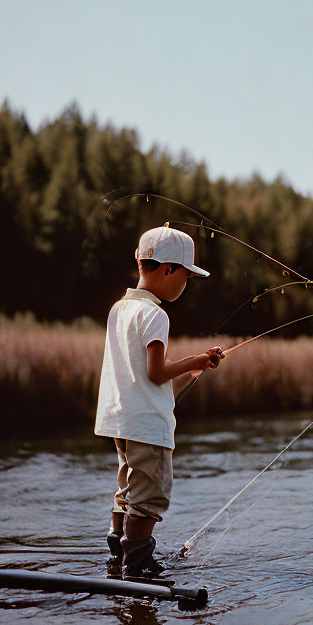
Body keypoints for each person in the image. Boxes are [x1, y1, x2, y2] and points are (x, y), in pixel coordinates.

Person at [94, 225, 224, 580]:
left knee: (127, 490)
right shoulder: (156, 315)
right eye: (186, 275)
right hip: (147, 425)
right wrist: (197, 361)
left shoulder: (119, 309)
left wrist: (193, 366)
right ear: (167, 270)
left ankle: (117, 557)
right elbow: (155, 372)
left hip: (121, 421)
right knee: (149, 497)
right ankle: (135, 566)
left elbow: (140, 374)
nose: (186, 284)